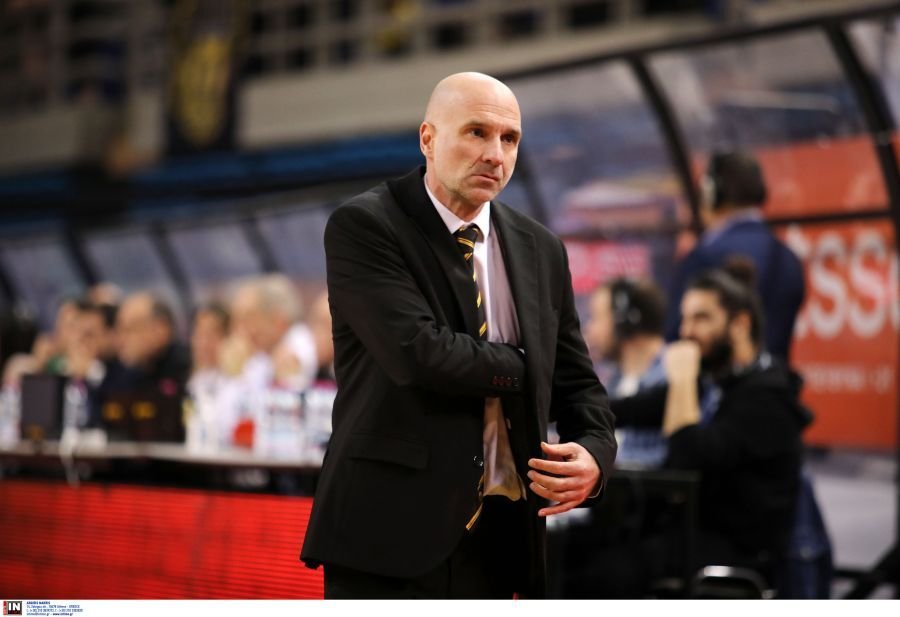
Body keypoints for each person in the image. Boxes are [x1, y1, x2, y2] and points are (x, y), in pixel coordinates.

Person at [300, 72, 617, 599]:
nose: (495, 154)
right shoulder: (366, 225)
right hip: (388, 532)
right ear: (428, 139)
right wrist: (527, 366)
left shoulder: (541, 248)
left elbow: (579, 383)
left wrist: (595, 455)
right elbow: (419, 354)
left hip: (501, 537)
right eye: (477, 132)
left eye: (509, 139)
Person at [615, 262, 810, 592]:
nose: (686, 332)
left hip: (732, 558)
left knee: (599, 567)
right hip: (688, 541)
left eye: (701, 318)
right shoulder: (715, 382)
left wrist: (680, 380)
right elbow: (632, 408)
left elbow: (687, 458)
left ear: (740, 325)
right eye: (685, 318)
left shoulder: (767, 397)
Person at [665, 150, 804, 361]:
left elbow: (675, 336)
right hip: (774, 378)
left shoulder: (703, 257)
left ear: (711, 194)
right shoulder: (788, 258)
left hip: (715, 380)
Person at [584, 277, 668, 467]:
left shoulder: (669, 378)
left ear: (624, 320)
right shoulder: (612, 382)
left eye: (596, 317)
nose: (589, 329)